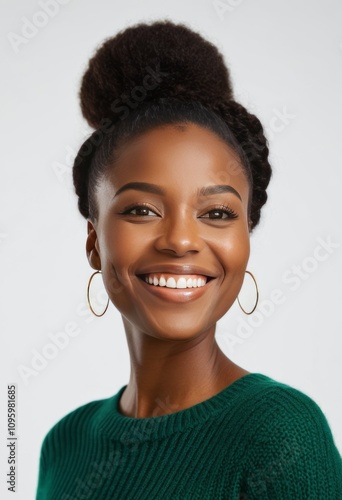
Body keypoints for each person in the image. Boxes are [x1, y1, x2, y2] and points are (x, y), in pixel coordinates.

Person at [35, 19, 342, 499]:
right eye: (141, 209)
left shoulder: (281, 436)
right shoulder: (63, 445)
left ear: (245, 239)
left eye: (217, 212)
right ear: (94, 242)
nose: (180, 241)